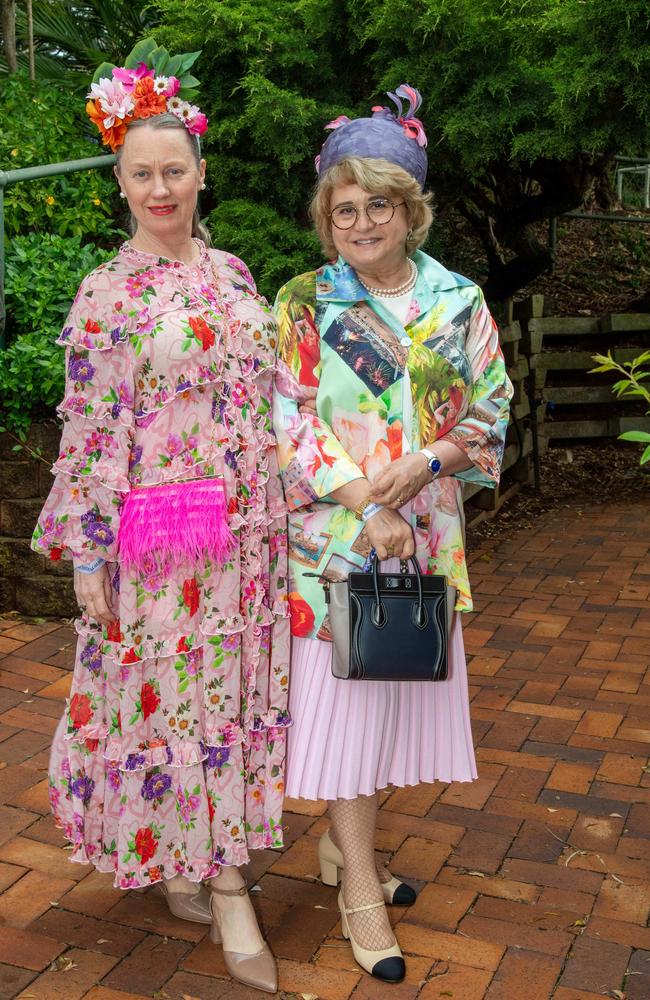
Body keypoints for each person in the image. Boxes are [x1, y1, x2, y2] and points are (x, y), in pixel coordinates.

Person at [31, 41, 289, 995]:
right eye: (142, 174)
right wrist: (87, 555)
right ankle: (227, 889)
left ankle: (198, 855)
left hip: (250, 537)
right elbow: (93, 434)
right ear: (121, 184)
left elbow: (269, 403)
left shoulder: (233, 274)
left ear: (201, 172)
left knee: (229, 704)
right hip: (161, 548)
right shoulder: (107, 293)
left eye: (173, 169)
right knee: (180, 708)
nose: (160, 187)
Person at [273, 85, 512, 983]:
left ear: (409, 211)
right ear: (325, 219)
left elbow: (493, 408)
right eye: (344, 209)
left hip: (422, 541)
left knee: (384, 704)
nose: (361, 222)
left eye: (379, 205)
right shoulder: (305, 302)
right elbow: (285, 420)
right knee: (344, 712)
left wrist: (432, 462)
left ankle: (346, 853)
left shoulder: (459, 300)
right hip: (333, 543)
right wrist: (366, 501)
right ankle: (359, 890)